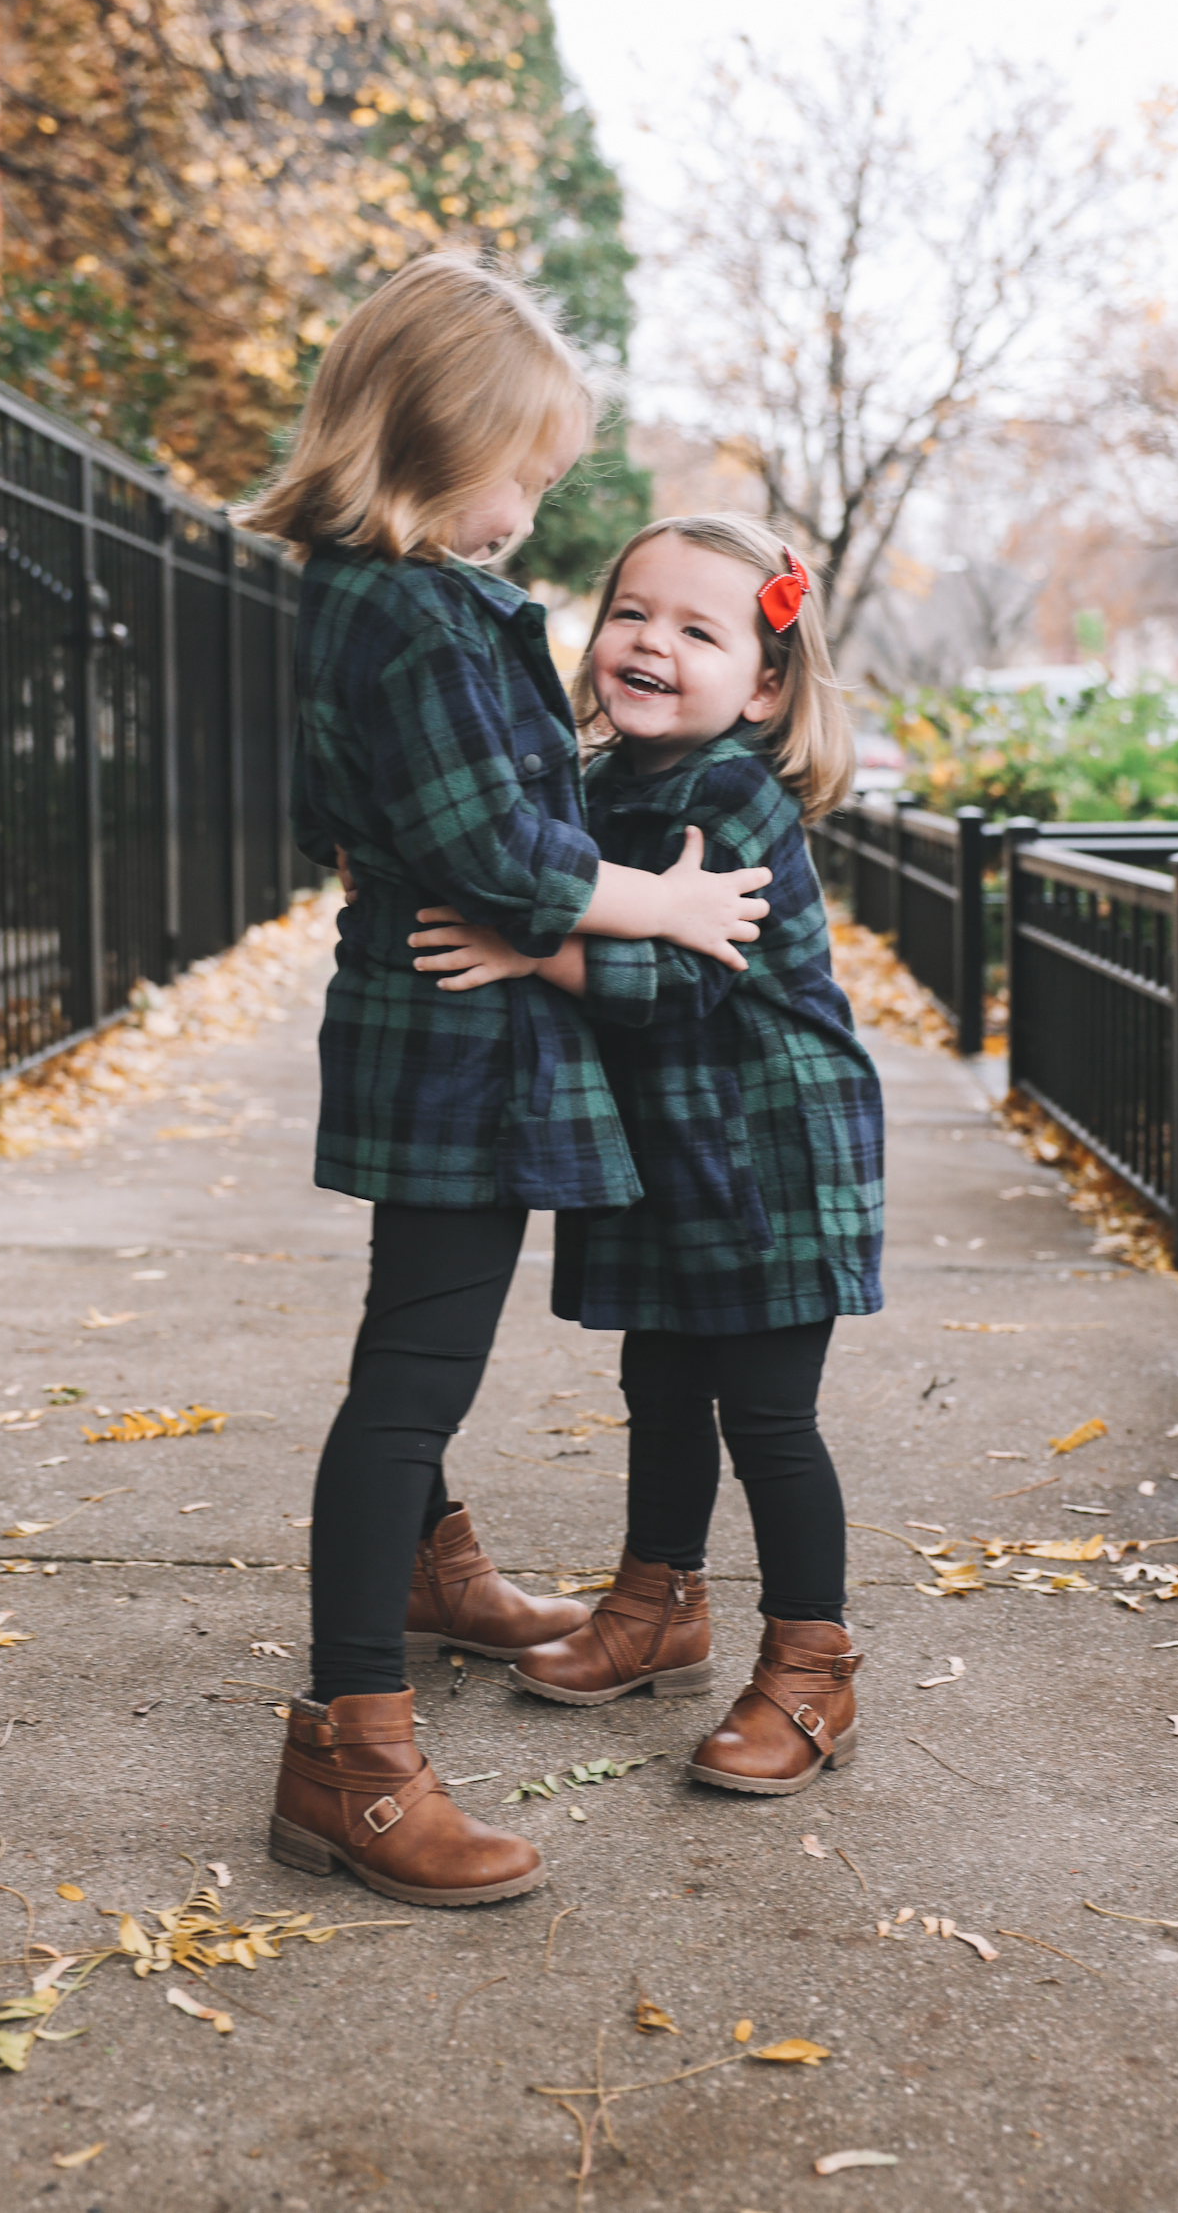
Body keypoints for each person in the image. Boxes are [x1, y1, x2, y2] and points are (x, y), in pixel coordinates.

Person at [246, 260, 773, 1907]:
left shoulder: (364, 596)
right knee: (412, 1374)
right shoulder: (411, 613)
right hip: (452, 1055)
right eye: (524, 471)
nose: (528, 505)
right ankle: (354, 1752)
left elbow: (356, 820)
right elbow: (500, 844)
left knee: (419, 1351)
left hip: (441, 1030)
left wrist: (445, 883)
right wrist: (667, 902)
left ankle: (420, 1566)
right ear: (435, 437)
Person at [411, 515, 884, 1798]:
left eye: (697, 629)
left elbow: (683, 975)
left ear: (767, 682)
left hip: (773, 1148)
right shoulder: (602, 776)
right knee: (663, 1387)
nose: (651, 643)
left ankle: (810, 1663)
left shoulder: (731, 791)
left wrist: (532, 948)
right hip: (671, 1147)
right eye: (633, 613)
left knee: (770, 1419)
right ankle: (656, 1604)